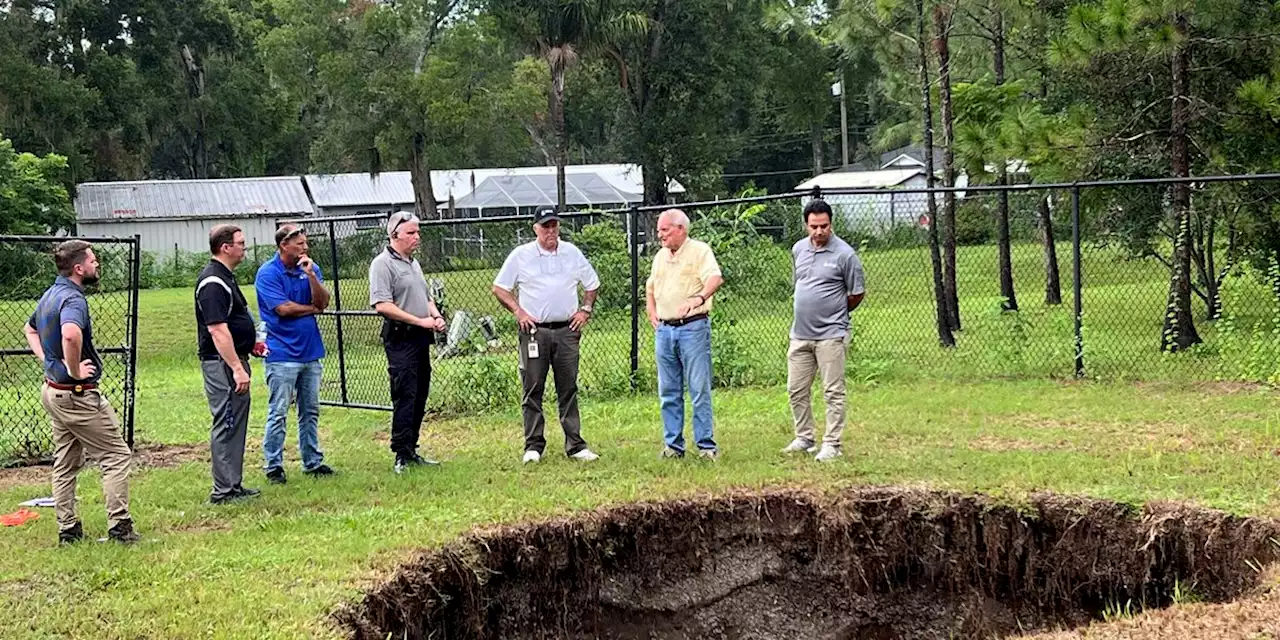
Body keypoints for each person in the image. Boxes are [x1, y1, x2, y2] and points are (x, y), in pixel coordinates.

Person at [24, 240, 140, 544]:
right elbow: (71, 333)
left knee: (65, 462)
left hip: (53, 392)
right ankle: (120, 528)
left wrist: (50, 361)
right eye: (93, 260)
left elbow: (30, 329)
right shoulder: (73, 299)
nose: (97, 264)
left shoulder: (50, 294)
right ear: (79, 268)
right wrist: (73, 370)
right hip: (76, 395)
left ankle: (69, 530)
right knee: (115, 455)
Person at [493, 206, 602, 464]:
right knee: (532, 388)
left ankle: (575, 444)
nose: (551, 231)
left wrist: (585, 310)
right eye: (545, 227)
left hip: (566, 330)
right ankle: (533, 445)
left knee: (568, 387)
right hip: (534, 332)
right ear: (536, 229)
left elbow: (592, 284)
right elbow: (499, 288)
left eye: (554, 226)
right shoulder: (522, 255)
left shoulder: (571, 253)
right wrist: (519, 312)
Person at [782, 200, 866, 462]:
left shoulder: (845, 255)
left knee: (833, 391)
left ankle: (832, 444)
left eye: (824, 226)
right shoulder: (798, 250)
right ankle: (804, 437)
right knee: (796, 389)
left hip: (831, 335)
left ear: (831, 224)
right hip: (800, 335)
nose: (819, 232)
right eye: (814, 226)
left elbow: (856, 293)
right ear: (806, 225)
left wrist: (835, 314)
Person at [368, 211, 448, 474]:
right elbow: (383, 305)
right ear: (394, 235)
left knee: (420, 392)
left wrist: (435, 316)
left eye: (418, 233)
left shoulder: (413, 263)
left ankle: (412, 447)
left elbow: (425, 297)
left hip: (421, 336)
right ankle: (400, 453)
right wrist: (418, 320)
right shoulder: (382, 264)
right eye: (411, 233)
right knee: (405, 393)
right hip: (401, 336)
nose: (417, 237)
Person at [255, 224, 334, 484]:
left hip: (310, 352)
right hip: (281, 353)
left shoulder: (310, 267)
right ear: (283, 245)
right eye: (299, 243)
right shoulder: (268, 273)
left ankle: (312, 461)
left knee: (309, 410)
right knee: (279, 410)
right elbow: (283, 309)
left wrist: (311, 276)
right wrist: (310, 309)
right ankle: (273, 464)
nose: (305, 247)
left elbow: (323, 303)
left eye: (305, 242)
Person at [646, 209, 724, 460]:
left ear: (681, 229)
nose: (660, 235)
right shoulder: (660, 256)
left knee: (698, 388)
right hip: (665, 330)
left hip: (692, 327)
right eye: (659, 230)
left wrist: (698, 298)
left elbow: (715, 278)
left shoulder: (699, 251)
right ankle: (673, 446)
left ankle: (706, 446)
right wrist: (651, 309)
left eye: (665, 230)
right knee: (668, 391)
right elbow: (651, 286)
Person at [195, 225, 264, 504]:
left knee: (236, 422)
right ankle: (223, 490)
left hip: (234, 360)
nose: (244, 248)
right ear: (225, 247)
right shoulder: (213, 282)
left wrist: (250, 344)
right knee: (227, 420)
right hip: (222, 365)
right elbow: (217, 330)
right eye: (241, 243)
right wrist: (236, 368)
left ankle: (234, 484)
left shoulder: (226, 277)